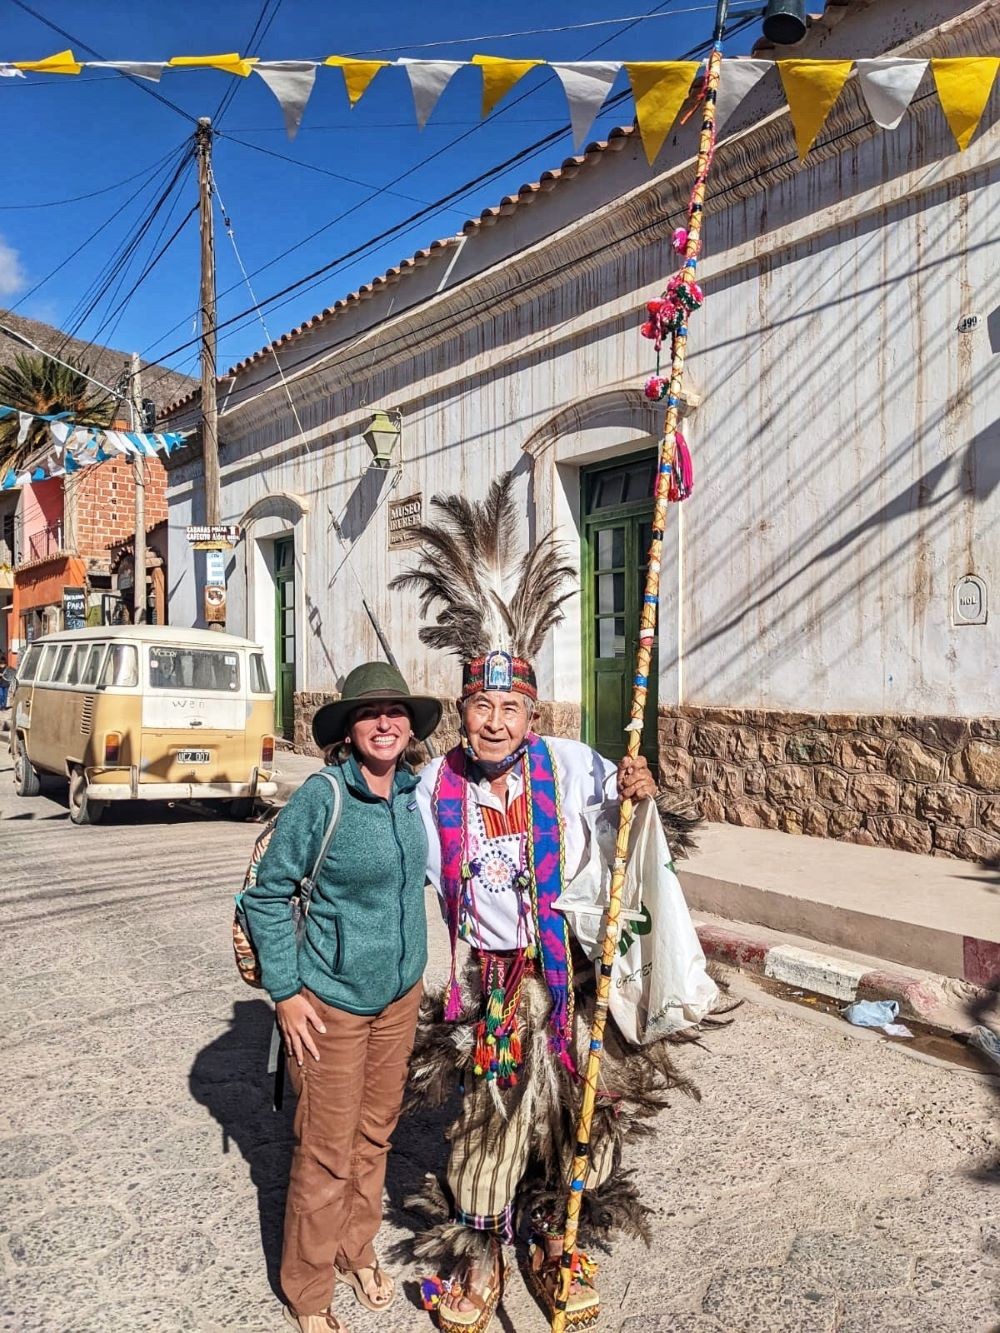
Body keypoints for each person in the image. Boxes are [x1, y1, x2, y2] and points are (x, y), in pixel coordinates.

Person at [392, 474, 719, 1333]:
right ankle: (479, 1256)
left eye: (511, 707)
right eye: (481, 705)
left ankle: (555, 1236)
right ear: (463, 709)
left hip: (571, 980)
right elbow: (389, 861)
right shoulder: (433, 788)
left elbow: (638, 837)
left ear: (533, 714)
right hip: (494, 991)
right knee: (486, 1133)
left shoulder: (570, 765)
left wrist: (642, 791)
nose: (495, 721)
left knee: (584, 1123)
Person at [242, 662, 443, 1333]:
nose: (384, 723)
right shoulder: (322, 798)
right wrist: (286, 990)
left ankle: (355, 1248)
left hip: (398, 996)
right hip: (329, 1002)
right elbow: (266, 894)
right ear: (348, 729)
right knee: (326, 1146)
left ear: (410, 726)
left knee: (375, 1130)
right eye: (368, 713)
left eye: (395, 711)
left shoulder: (414, 793)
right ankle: (307, 1289)